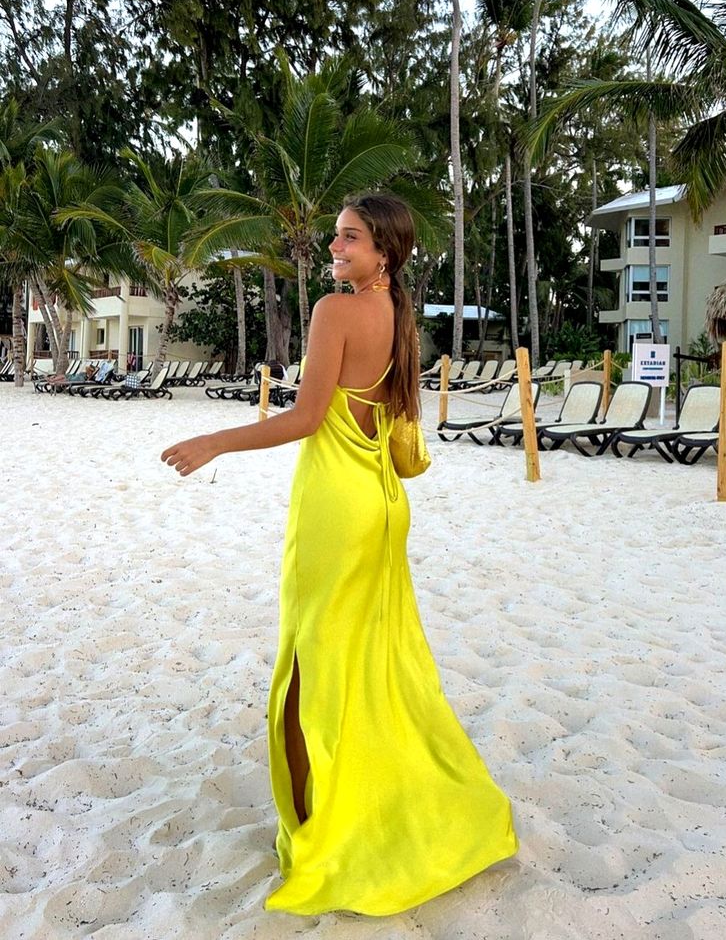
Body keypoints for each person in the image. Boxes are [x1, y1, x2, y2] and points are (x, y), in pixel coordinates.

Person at [161, 194, 518, 916]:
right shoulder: (399, 318)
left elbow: (306, 416)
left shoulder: (334, 310)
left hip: (337, 507)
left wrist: (214, 441)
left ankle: (316, 829)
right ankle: (372, 805)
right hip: (384, 507)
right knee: (375, 667)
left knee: (306, 664)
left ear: (383, 250)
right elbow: (396, 424)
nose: (335, 246)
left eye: (349, 238)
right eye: (335, 236)